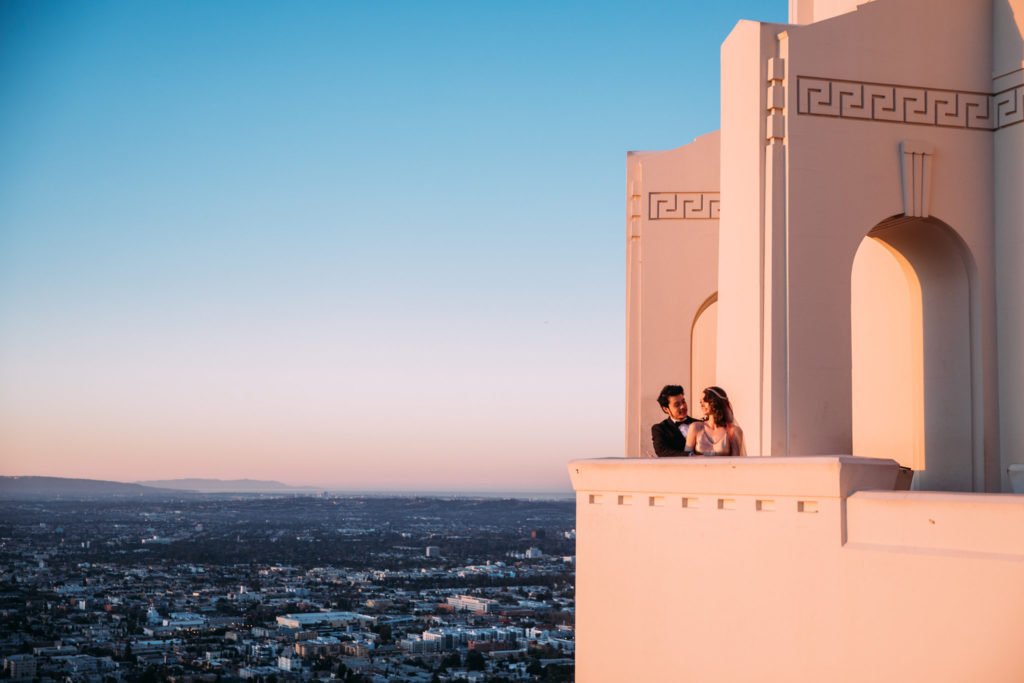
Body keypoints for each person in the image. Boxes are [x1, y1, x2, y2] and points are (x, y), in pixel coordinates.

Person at [686, 386, 746, 457]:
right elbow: (686, 457)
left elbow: (736, 463)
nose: (701, 405)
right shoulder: (695, 427)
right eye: (700, 402)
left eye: (705, 401)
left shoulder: (734, 431)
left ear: (715, 402)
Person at [651, 385, 701, 457]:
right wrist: (690, 455)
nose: (683, 406)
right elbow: (662, 451)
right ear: (666, 409)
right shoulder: (660, 429)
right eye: (677, 404)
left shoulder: (699, 423)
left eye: (683, 402)